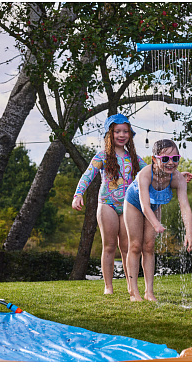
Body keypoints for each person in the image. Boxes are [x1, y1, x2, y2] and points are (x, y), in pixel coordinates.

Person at [72, 113, 146, 295]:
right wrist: (78, 194)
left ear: (130, 134)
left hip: (128, 206)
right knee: (109, 246)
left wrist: (175, 175)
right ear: (109, 134)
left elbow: (152, 172)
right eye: (117, 131)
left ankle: (131, 285)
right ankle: (108, 286)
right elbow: (88, 175)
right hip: (107, 204)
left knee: (127, 247)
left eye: (125, 131)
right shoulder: (102, 156)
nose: (122, 135)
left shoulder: (134, 158)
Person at [123, 139, 192, 302]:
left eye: (175, 158)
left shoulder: (177, 178)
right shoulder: (145, 174)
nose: (171, 162)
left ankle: (149, 292)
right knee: (135, 245)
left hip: (154, 206)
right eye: (165, 159)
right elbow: (144, 205)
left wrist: (189, 233)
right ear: (154, 159)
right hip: (134, 204)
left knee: (149, 246)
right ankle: (133, 292)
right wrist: (156, 224)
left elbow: (185, 207)